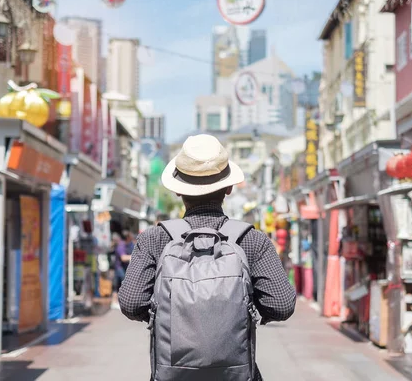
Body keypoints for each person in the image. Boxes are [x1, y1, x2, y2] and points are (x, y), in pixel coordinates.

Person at [119, 134, 296, 381]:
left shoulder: (155, 239)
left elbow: (131, 302)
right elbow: (281, 305)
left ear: (178, 191)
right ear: (229, 187)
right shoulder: (252, 240)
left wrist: (164, 311)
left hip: (172, 373)